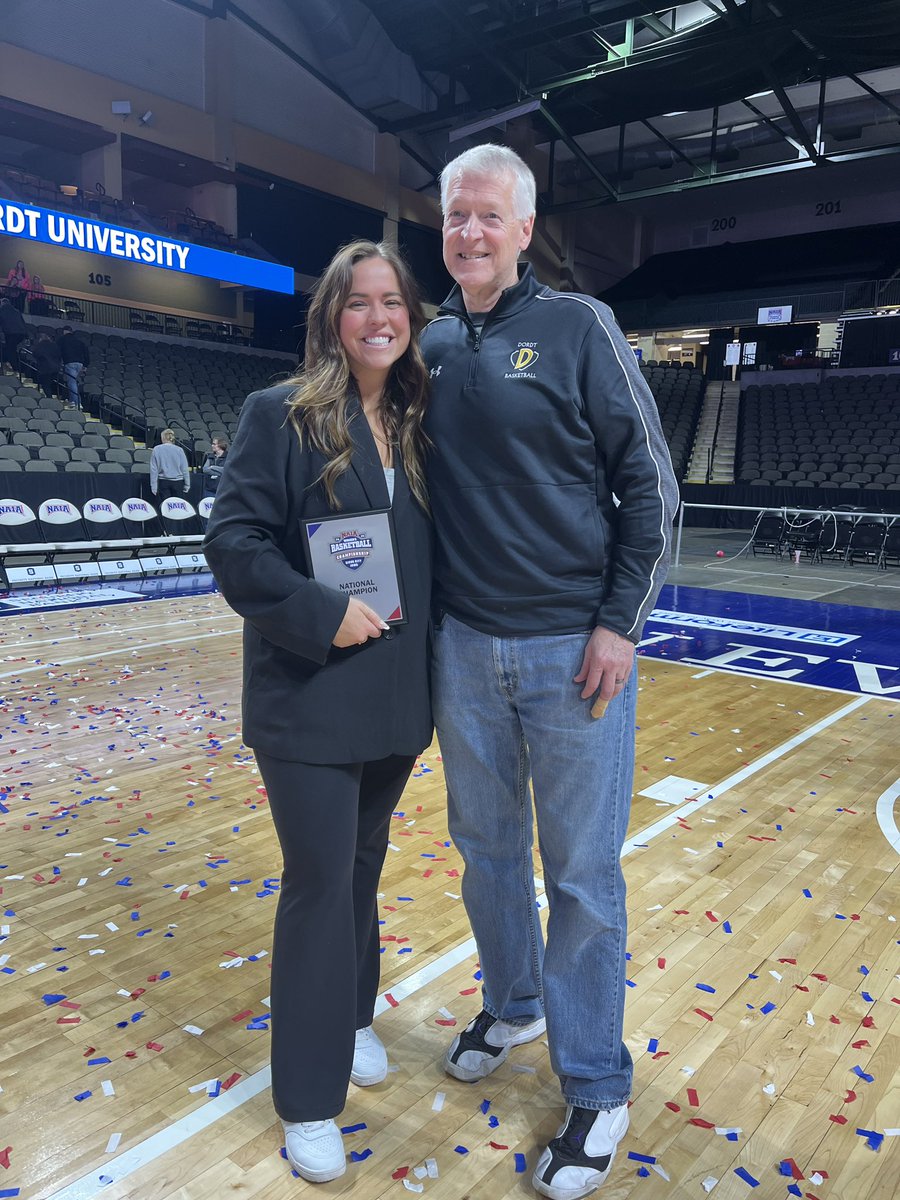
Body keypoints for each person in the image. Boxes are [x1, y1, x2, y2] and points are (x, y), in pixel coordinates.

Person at [421, 144, 678, 1200]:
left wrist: (619, 624)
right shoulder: (432, 343)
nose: (470, 233)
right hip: (463, 650)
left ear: (525, 229)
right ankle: (515, 998)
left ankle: (597, 1080)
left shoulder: (581, 328)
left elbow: (652, 491)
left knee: (580, 876)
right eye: (454, 217)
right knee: (486, 850)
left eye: (488, 216)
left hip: (577, 655)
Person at [203, 240, 432, 1184]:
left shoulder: (420, 422)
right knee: (319, 883)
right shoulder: (280, 416)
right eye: (358, 302)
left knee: (363, 869)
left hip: (393, 705)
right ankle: (306, 1098)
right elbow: (234, 542)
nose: (378, 318)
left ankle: (350, 1015)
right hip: (308, 700)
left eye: (393, 302)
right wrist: (319, 612)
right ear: (331, 316)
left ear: (409, 318)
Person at [149, 428, 190, 501]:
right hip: (178, 483)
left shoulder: (156, 449)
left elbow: (154, 470)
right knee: (178, 509)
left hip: (163, 482)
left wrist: (154, 486)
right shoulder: (179, 450)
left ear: (162, 438)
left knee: (165, 508)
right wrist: (187, 484)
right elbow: (184, 469)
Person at [57, 324, 91, 409]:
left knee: (71, 382)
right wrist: (85, 365)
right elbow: (86, 353)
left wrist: (59, 362)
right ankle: (74, 401)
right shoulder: (79, 341)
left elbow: (57, 351)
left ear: (64, 332)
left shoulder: (62, 340)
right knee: (74, 382)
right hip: (80, 364)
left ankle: (75, 402)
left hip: (69, 362)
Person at [30, 331, 62, 397]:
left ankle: (50, 398)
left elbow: (36, 354)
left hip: (45, 368)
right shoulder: (54, 345)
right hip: (56, 368)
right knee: (49, 383)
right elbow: (59, 355)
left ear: (40, 339)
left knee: (45, 385)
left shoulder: (40, 345)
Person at [0, 297, 28, 370]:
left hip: (10, 333)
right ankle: (16, 366)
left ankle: (15, 367)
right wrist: (26, 334)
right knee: (12, 349)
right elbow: (23, 323)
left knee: (10, 350)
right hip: (21, 333)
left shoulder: (1, 310)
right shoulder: (17, 311)